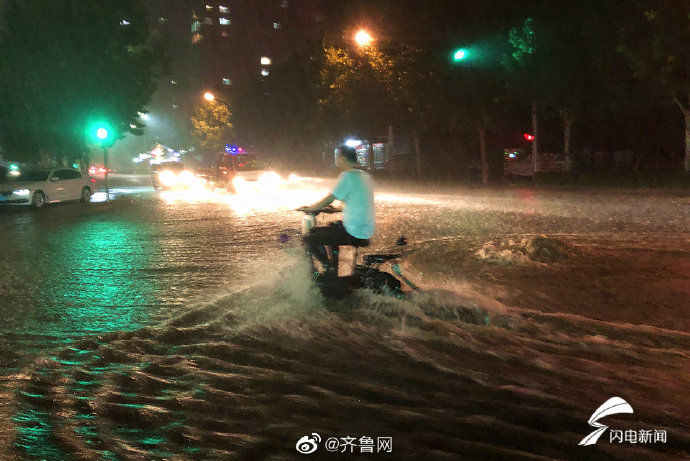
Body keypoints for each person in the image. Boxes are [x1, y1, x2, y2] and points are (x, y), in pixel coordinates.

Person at [299, 145, 375, 275]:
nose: (336, 159)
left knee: (309, 237)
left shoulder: (347, 176)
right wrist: (336, 210)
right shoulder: (365, 176)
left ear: (343, 158)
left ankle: (329, 267)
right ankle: (334, 270)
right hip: (366, 230)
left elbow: (329, 198)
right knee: (332, 227)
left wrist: (311, 208)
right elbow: (357, 201)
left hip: (353, 231)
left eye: (337, 156)